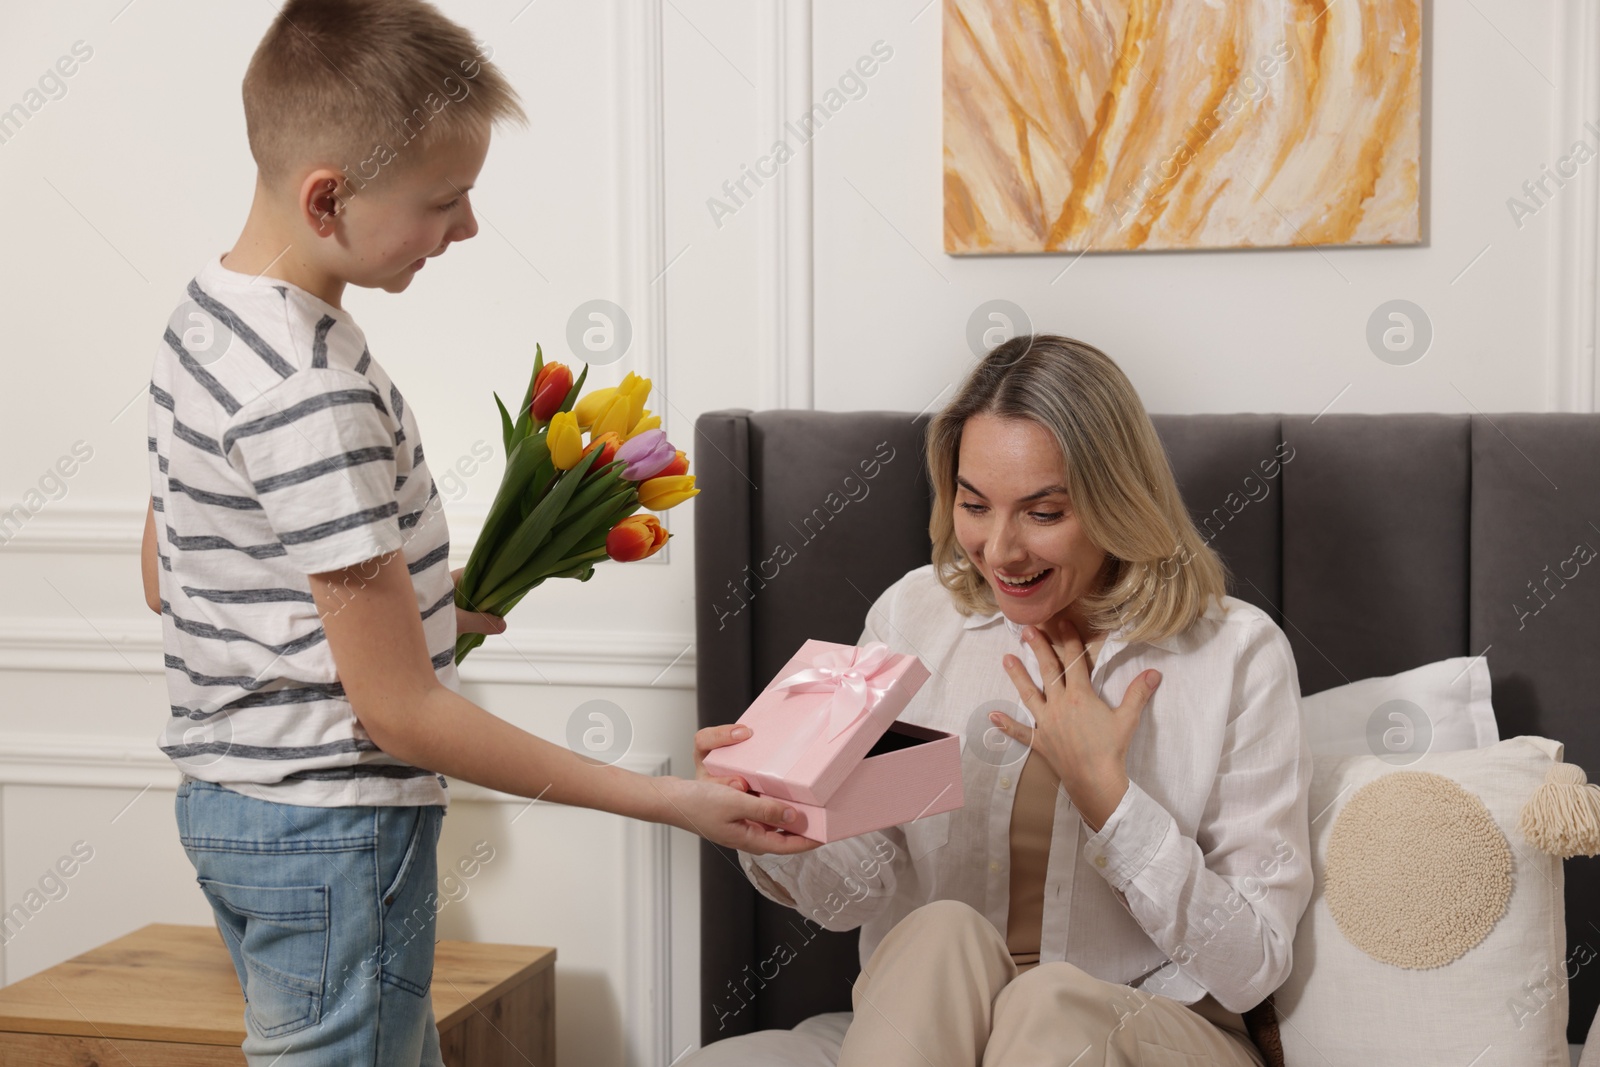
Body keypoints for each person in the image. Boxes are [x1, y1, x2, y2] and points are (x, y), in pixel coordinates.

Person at [140, 3, 814, 1063]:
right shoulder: (311, 392)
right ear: (328, 199)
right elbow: (403, 714)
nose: (465, 229)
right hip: (333, 828)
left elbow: (173, 568)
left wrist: (411, 601)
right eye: (444, 201)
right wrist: (667, 799)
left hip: (233, 809)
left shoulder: (207, 320)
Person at [687, 334, 1313, 1066]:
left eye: (1044, 513)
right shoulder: (914, 618)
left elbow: (1252, 965)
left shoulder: (1236, 652)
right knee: (934, 929)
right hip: (943, 1025)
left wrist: (1110, 797)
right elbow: (854, 896)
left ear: (1118, 501)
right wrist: (775, 816)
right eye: (975, 504)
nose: (1000, 550)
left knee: (1046, 1001)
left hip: (1157, 1027)